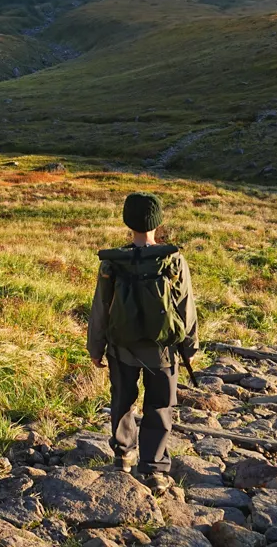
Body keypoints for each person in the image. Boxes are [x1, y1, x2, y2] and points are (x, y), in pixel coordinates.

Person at [87, 191, 198, 487]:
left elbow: (101, 307)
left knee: (122, 400)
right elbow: (186, 306)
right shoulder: (172, 259)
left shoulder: (113, 262)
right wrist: (189, 346)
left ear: (128, 222)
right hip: (162, 350)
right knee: (159, 405)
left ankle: (124, 456)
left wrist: (96, 347)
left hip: (121, 347)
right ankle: (153, 468)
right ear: (157, 222)